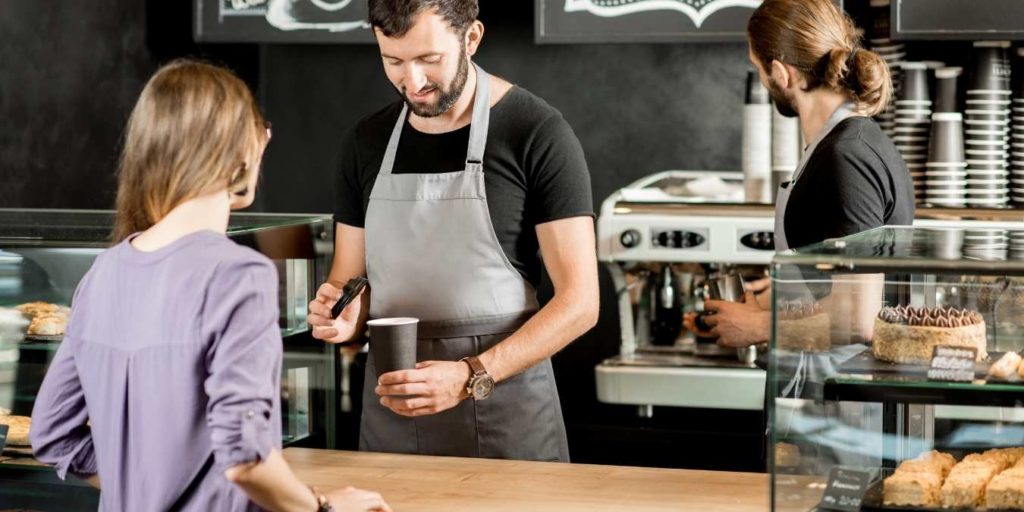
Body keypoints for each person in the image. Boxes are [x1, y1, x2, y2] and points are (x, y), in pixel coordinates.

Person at [30, 59, 390, 512]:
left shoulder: (102, 273)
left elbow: (51, 434)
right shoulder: (239, 276)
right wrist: (324, 507)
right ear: (240, 156)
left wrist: (143, 489)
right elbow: (246, 459)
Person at [306, 0, 599, 462]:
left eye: (429, 59)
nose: (414, 82)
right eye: (394, 62)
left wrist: (470, 375)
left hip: (505, 407)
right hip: (394, 406)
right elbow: (349, 280)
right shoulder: (366, 142)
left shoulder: (535, 132)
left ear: (472, 38)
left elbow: (581, 304)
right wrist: (341, 315)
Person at [687, 0, 915, 347]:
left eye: (757, 68)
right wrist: (779, 291)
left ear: (781, 73)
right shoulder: (837, 146)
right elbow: (832, 276)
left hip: (847, 391)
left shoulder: (846, 157)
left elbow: (858, 317)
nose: (764, 81)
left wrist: (759, 327)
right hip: (820, 382)